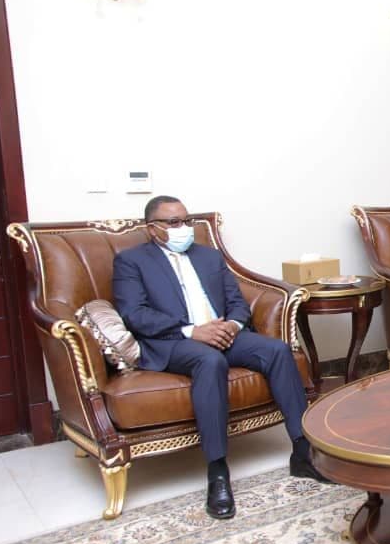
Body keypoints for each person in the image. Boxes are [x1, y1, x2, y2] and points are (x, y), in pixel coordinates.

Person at [112, 195, 330, 520]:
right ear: (152, 228)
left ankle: (302, 452)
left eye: (186, 220)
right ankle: (217, 472)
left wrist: (232, 325)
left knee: (277, 350)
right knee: (209, 361)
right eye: (174, 222)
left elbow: (237, 301)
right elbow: (134, 313)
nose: (184, 228)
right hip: (176, 340)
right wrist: (192, 331)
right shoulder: (131, 261)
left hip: (224, 333)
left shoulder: (209, 256)